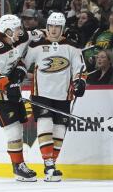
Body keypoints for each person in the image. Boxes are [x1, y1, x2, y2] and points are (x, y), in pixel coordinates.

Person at [24, 12, 87, 182]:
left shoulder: (72, 47)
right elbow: (24, 63)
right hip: (41, 94)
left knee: (59, 131)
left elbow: (80, 68)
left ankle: (51, 167)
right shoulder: (37, 45)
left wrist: (80, 82)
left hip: (63, 95)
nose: (53, 29)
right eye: (51, 26)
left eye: (57, 26)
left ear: (62, 28)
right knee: (45, 125)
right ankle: (49, 165)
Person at [0, 14, 44, 182]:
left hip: (10, 87)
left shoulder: (20, 37)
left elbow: (37, 33)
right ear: (8, 31)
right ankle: (18, 167)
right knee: (13, 131)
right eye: (17, 29)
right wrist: (9, 85)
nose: (20, 31)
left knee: (20, 128)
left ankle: (19, 165)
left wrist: (19, 73)